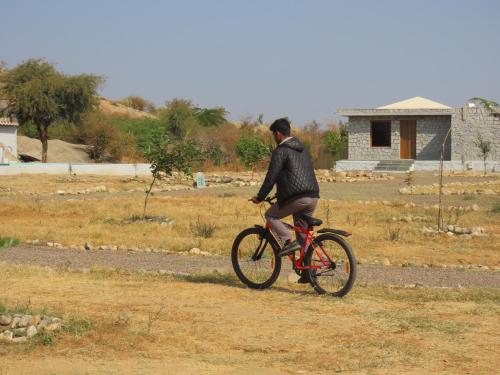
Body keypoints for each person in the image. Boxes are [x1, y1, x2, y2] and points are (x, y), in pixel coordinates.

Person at [250, 117, 320, 263]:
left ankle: (287, 240)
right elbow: (294, 174)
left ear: (277, 134)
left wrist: (260, 197)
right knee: (302, 236)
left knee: (271, 216)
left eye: (273, 135)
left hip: (298, 198)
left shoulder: (280, 151)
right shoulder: (302, 148)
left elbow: (271, 178)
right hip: (313, 197)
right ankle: (307, 273)